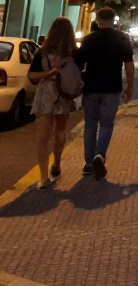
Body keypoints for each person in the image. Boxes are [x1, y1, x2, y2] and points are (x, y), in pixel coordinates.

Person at [75, 7, 135, 179]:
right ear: (113, 19)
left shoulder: (89, 39)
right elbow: (129, 63)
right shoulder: (122, 38)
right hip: (112, 87)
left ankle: (88, 163)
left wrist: (80, 81)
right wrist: (130, 86)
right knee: (107, 124)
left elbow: (78, 64)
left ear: (98, 19)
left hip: (91, 87)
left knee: (90, 125)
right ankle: (100, 154)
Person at [27, 17, 79, 189]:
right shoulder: (74, 53)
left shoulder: (42, 52)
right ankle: (56, 164)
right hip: (64, 94)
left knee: (42, 137)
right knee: (60, 130)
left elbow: (31, 75)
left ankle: (43, 177)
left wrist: (48, 73)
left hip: (45, 94)